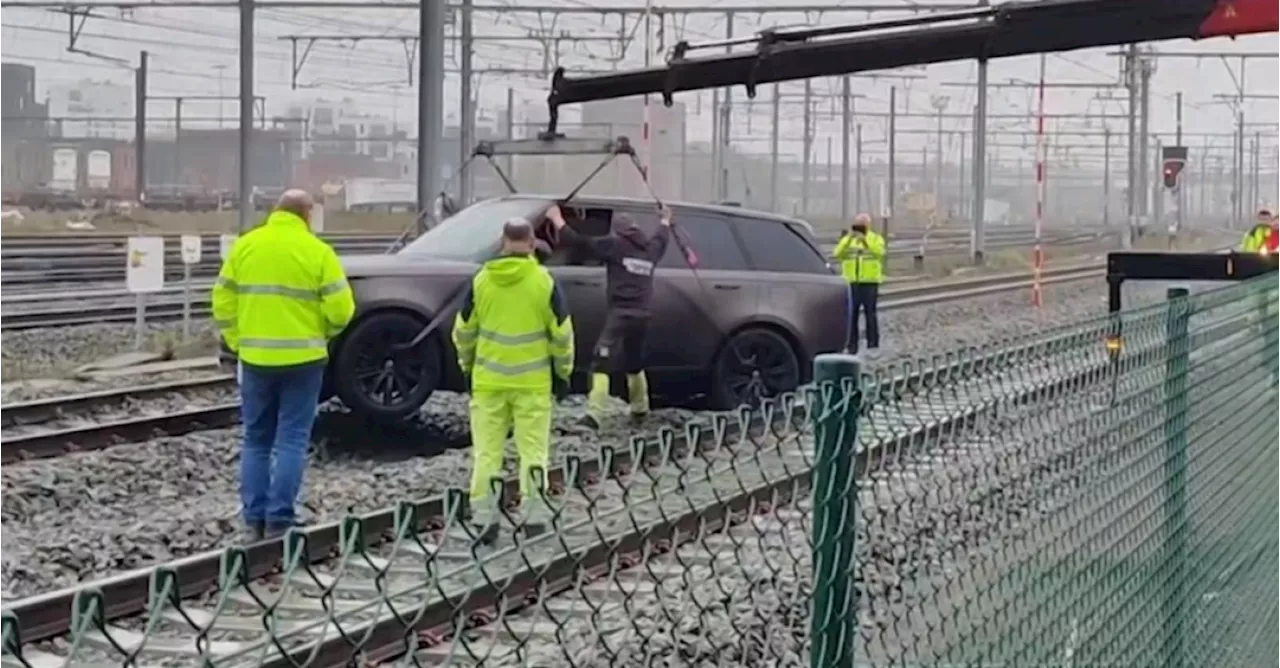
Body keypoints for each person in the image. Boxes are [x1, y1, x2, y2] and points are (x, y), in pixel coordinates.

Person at [212, 189, 355, 541]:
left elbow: (221, 300)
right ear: (306, 214)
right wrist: (322, 333)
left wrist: (237, 338)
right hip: (303, 361)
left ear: (275, 211)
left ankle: (253, 517)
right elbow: (342, 310)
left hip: (256, 358)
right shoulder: (317, 251)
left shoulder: (246, 246)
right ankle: (280, 518)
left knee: (256, 439)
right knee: (291, 439)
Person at [452, 218, 575, 545]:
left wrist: (467, 365)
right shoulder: (543, 282)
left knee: (486, 453)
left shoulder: (481, 282)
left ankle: (484, 520)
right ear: (533, 242)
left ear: (502, 242)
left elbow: (463, 331)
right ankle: (534, 518)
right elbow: (562, 335)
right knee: (533, 451)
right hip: (533, 384)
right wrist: (563, 373)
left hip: (488, 382)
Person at [544, 204, 672, 429]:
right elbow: (662, 237)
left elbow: (578, 242)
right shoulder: (651, 250)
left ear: (618, 231)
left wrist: (556, 218)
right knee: (634, 362)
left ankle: (594, 416)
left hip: (619, 315)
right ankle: (640, 409)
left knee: (601, 362)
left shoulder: (615, 245)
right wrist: (665, 219)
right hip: (642, 316)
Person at [832, 213, 887, 356]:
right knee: (852, 316)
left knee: (870, 314)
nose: (859, 228)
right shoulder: (848, 240)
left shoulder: (875, 238)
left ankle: (873, 344)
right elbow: (837, 254)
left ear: (868, 225)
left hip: (869, 282)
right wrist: (849, 238)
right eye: (857, 224)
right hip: (852, 282)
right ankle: (852, 345)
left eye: (862, 225)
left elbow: (880, 252)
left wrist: (865, 242)